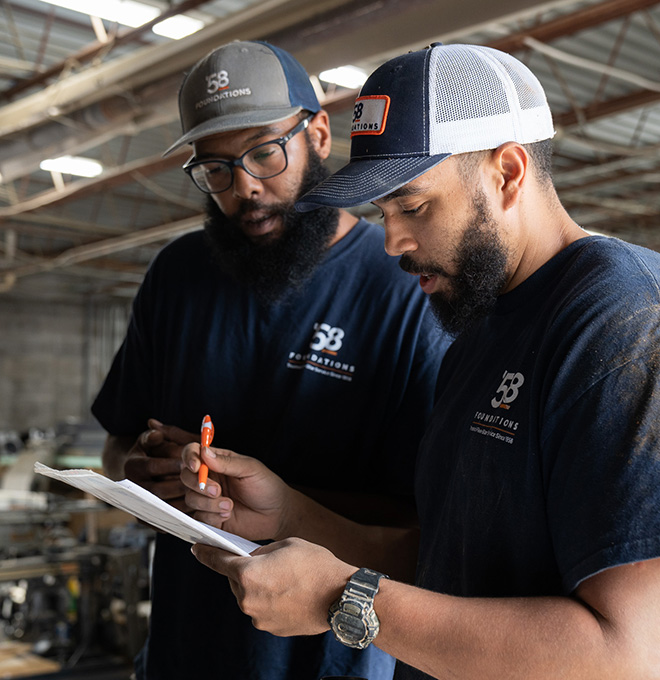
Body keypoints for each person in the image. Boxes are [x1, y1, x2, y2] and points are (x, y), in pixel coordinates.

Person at [181, 43, 660, 680]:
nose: (393, 242)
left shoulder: (624, 322)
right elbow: (448, 561)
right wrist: (294, 515)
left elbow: (628, 652)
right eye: (383, 213)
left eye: (413, 206)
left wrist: (340, 598)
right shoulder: (480, 328)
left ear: (508, 173)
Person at [91, 40, 451, 680]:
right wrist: (151, 472)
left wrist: (279, 505)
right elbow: (115, 450)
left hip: (332, 658)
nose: (246, 189)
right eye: (216, 170)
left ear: (317, 133)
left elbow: (431, 527)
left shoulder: (402, 287)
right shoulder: (177, 276)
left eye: (264, 152)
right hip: (183, 650)